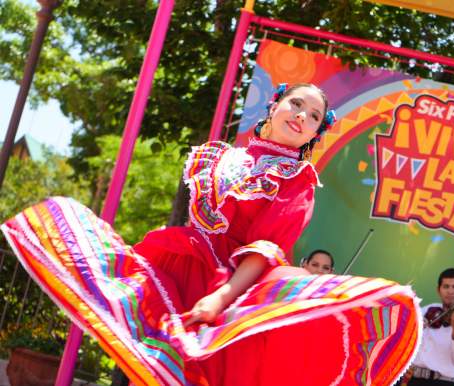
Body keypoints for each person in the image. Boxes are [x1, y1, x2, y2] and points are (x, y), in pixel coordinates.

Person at [1, 83, 421, 386]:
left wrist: (220, 297)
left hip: (230, 286)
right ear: (274, 106)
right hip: (178, 266)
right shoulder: (222, 156)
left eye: (313, 116)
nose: (302, 116)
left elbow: (266, 248)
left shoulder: (297, 177)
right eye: (296, 104)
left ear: (315, 133)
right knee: (146, 366)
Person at [407, 268, 454, 385]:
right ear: (438, 290)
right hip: (415, 380)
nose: (450, 291)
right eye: (446, 287)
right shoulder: (428, 310)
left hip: (444, 382)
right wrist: (416, 327)